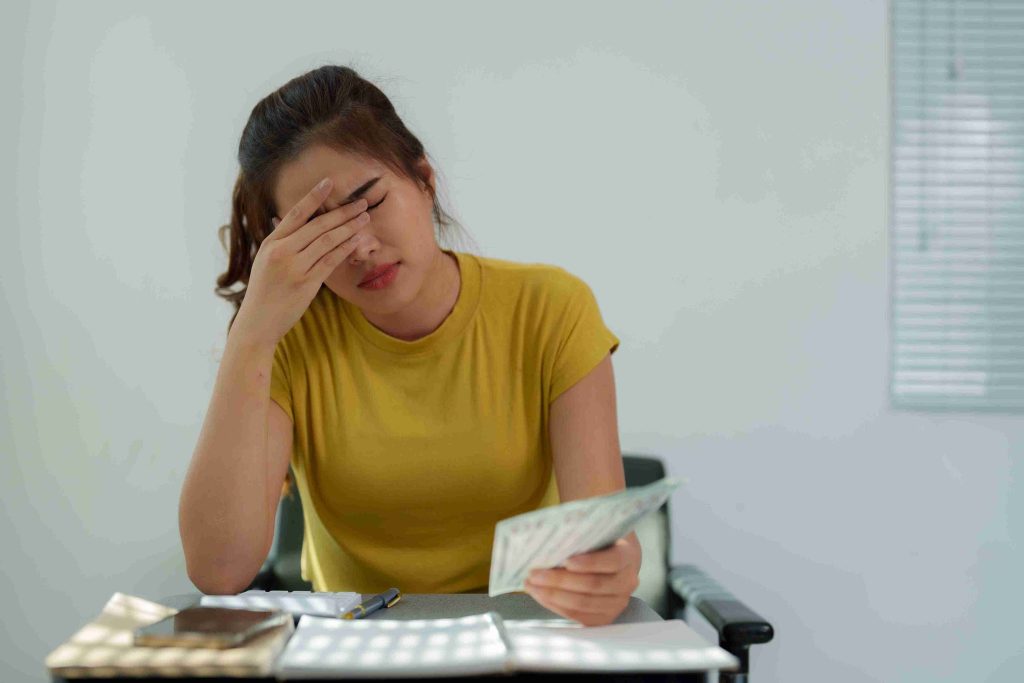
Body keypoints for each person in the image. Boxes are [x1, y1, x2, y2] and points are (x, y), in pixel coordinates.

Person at [178, 64, 640, 627]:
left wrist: (611, 569)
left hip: (523, 637)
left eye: (370, 204)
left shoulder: (552, 310)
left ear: (423, 179)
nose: (360, 248)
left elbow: (602, 540)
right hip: (357, 645)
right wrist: (252, 332)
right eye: (321, 230)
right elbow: (218, 571)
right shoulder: (288, 341)